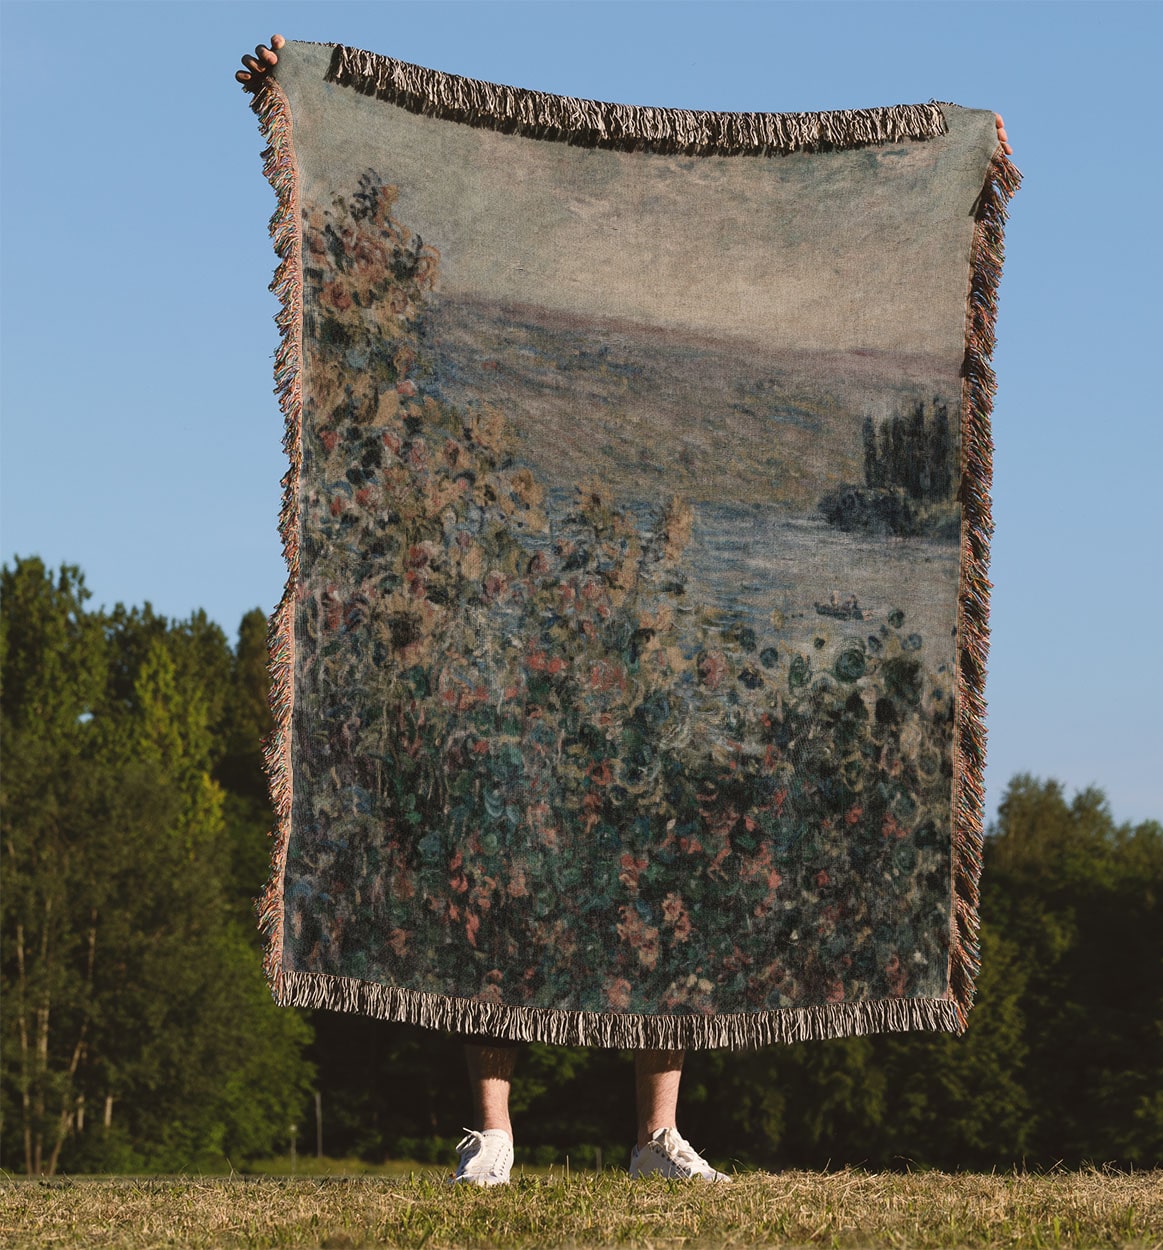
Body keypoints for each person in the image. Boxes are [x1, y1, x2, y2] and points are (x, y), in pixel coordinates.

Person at [235, 35, 1013, 1187]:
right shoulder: (520, 396)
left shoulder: (680, 433)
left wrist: (962, 161)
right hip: (520, 630)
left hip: (653, 636)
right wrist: (292, 77)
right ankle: (492, 1132)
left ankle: (655, 1135)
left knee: (666, 874)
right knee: (490, 864)